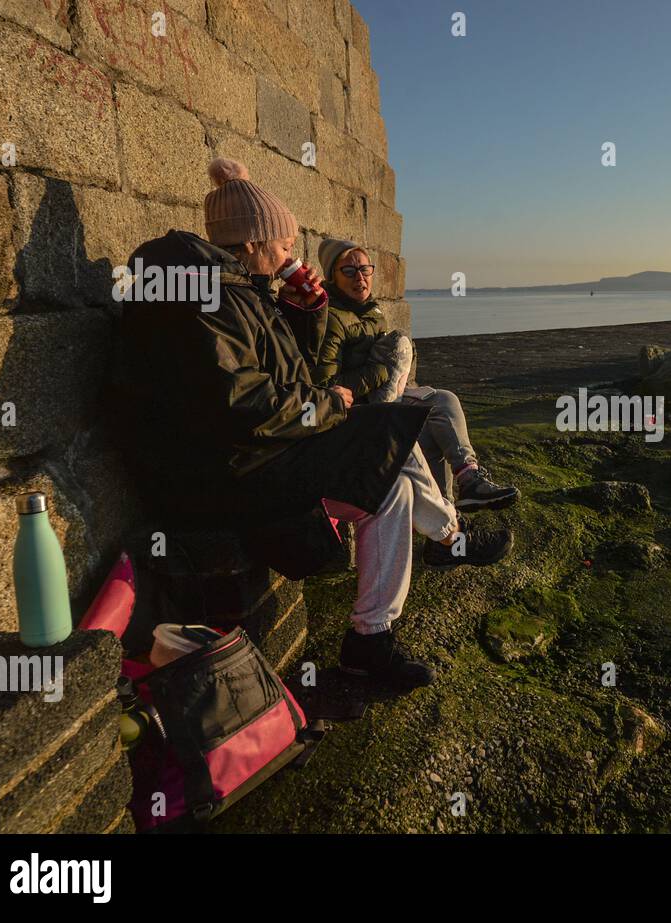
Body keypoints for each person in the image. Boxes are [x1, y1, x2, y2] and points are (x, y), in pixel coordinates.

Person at [116, 158, 512, 690]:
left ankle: (374, 635)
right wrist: (331, 404)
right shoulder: (205, 297)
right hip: (223, 475)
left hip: (250, 456)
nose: (290, 256)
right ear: (254, 241)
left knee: (388, 460)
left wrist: (301, 315)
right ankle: (433, 558)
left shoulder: (239, 290)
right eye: (283, 244)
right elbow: (243, 402)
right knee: (384, 450)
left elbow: (277, 377)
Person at [314, 238, 520, 511]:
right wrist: (381, 371)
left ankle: (469, 479)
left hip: (385, 397)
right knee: (426, 427)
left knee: (444, 401)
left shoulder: (371, 312)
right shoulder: (331, 319)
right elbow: (327, 385)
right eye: (349, 271)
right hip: (359, 412)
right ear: (333, 276)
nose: (360, 278)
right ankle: (448, 528)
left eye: (365, 269)